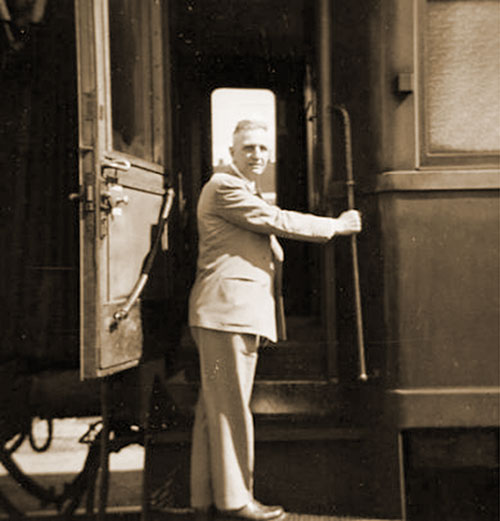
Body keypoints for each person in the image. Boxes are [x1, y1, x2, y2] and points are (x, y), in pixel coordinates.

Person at [188, 120, 362, 520]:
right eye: (248, 147)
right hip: (226, 314)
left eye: (263, 148)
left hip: (223, 313)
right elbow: (277, 220)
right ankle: (234, 501)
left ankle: (204, 499)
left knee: (212, 408)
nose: (257, 155)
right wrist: (335, 226)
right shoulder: (224, 187)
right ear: (231, 153)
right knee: (230, 406)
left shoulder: (243, 190)